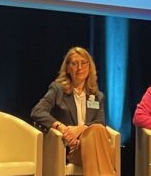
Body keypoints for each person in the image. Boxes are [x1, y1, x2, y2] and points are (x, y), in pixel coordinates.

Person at [31, 47, 118, 176]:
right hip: (71, 148)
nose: (80, 68)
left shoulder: (97, 96)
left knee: (97, 129)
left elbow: (100, 121)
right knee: (100, 138)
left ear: (89, 67)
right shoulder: (58, 90)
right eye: (74, 63)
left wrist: (81, 129)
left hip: (91, 143)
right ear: (67, 68)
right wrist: (61, 127)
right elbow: (37, 111)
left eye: (84, 63)